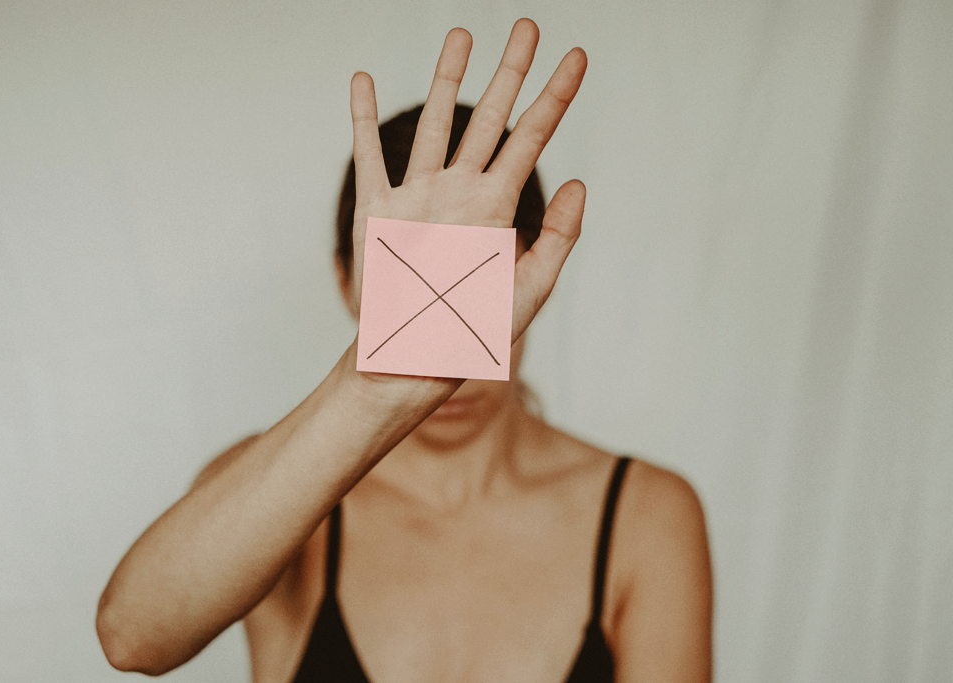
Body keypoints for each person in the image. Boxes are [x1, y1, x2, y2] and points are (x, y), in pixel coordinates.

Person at [96, 19, 712, 682]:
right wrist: (372, 386)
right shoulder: (276, 496)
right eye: (409, 284)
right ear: (346, 282)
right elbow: (132, 636)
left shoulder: (645, 514)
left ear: (533, 280)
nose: (449, 370)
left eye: (477, 281)